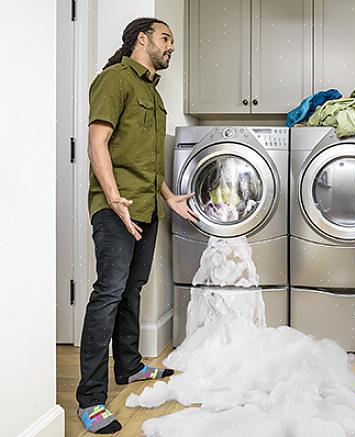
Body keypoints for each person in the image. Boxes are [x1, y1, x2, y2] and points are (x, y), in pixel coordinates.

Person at [75, 17, 198, 434]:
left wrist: (168, 198)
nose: (171, 47)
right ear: (142, 39)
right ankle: (90, 399)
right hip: (116, 208)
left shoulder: (152, 92)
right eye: (166, 39)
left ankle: (128, 368)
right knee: (108, 293)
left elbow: (144, 159)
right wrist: (112, 199)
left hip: (145, 207)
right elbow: (97, 144)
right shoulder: (114, 80)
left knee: (131, 289)